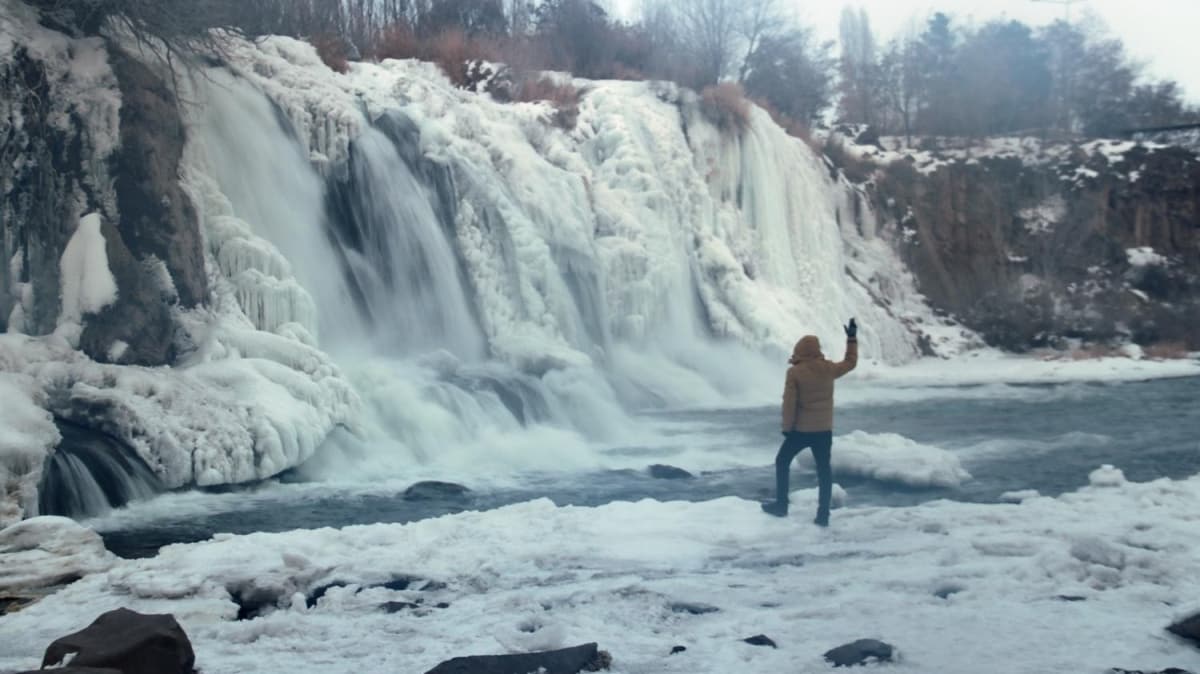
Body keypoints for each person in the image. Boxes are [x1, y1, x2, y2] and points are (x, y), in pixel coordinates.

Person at [761, 319, 858, 526]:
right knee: (824, 471)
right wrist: (851, 338)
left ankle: (781, 505)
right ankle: (823, 515)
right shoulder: (828, 368)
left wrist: (787, 429)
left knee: (782, 461)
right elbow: (850, 363)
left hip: (801, 431)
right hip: (824, 431)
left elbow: (789, 403)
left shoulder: (794, 372)